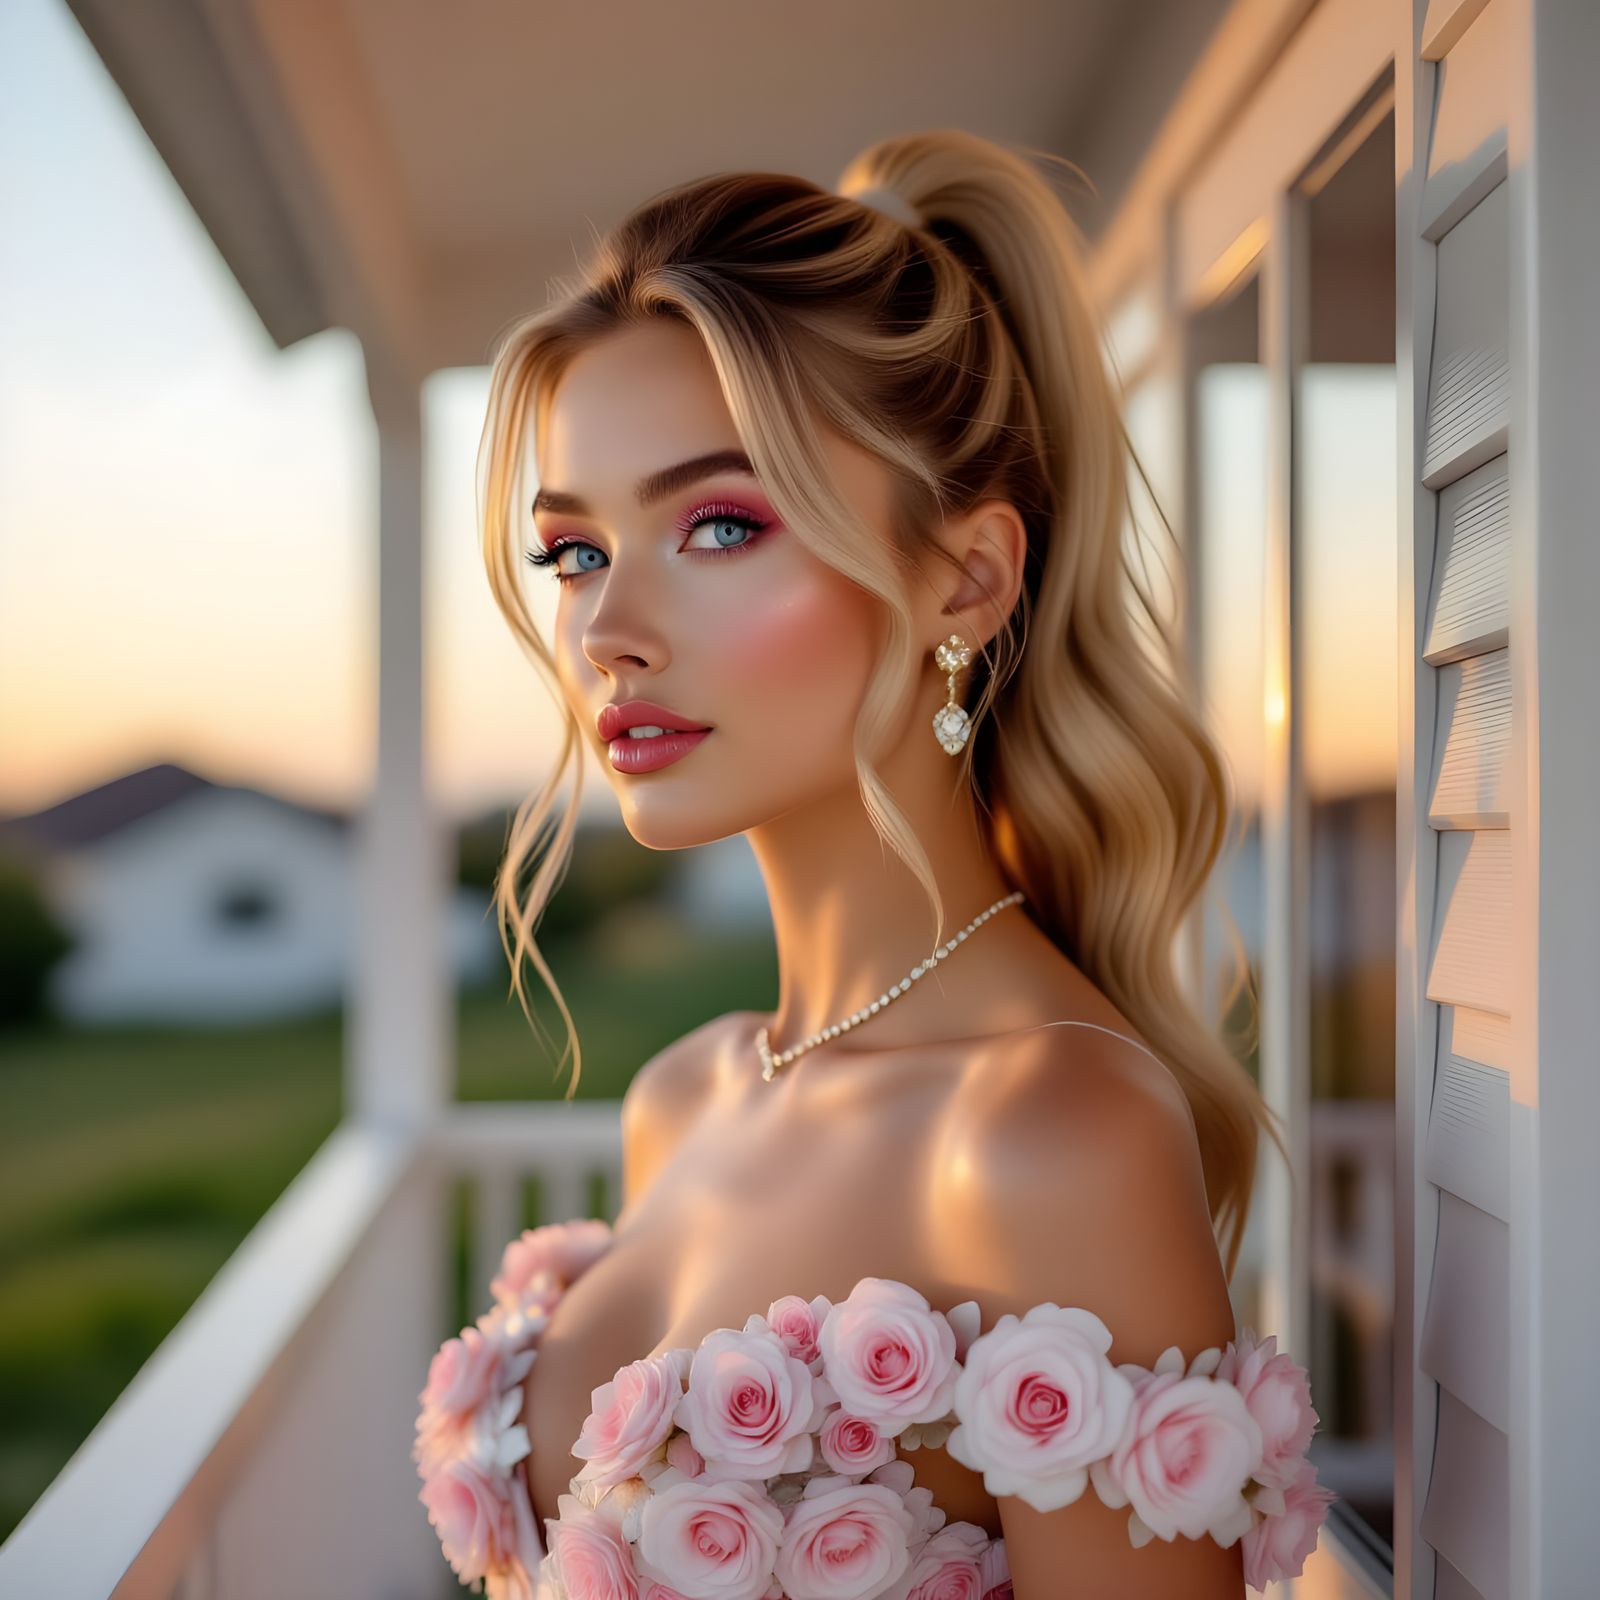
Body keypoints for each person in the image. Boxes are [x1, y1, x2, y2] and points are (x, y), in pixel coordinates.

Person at [420, 127, 1310, 1599]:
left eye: (717, 524)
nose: (607, 630)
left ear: (965, 577)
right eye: (574, 551)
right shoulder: (685, 1097)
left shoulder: (1049, 1136)